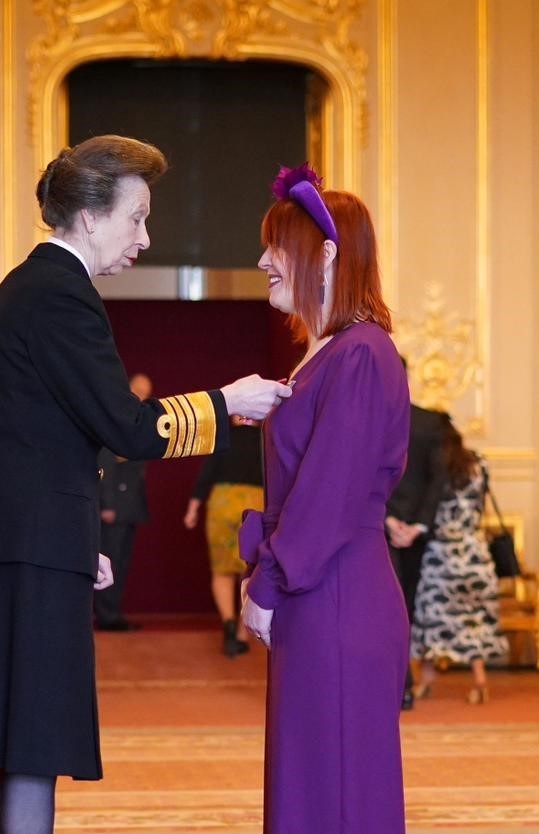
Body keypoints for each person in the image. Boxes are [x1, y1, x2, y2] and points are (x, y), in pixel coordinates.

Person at [0, 134, 290, 834]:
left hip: (23, 539)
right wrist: (228, 402)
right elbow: (126, 428)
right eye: (137, 218)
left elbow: (45, 438)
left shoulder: (35, 289)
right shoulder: (59, 297)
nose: (145, 238)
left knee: (25, 745)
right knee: (33, 742)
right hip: (25, 548)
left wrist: (72, 540)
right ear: (91, 217)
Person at [239, 163, 410, 834]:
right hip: (325, 590)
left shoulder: (361, 353)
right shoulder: (329, 355)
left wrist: (268, 582)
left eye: (275, 245)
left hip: (335, 593)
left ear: (328, 254)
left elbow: (330, 493)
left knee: (333, 787)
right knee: (313, 781)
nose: (261, 261)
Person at [410, 415, 508, 704]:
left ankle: (426, 679)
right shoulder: (480, 464)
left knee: (429, 617)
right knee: (474, 620)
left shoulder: (435, 469)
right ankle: (479, 682)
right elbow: (482, 508)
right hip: (473, 554)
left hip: (440, 555)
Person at [385, 397, 447, 709]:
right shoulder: (430, 421)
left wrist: (388, 519)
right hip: (415, 532)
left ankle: (398, 685)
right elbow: (438, 480)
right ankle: (403, 686)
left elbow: (360, 475)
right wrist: (419, 524)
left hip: (379, 529)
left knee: (388, 611)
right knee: (405, 607)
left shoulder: (367, 416)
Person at [184, 414, 263, 656]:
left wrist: (193, 509)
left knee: (221, 570)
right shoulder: (265, 439)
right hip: (254, 504)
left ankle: (228, 623)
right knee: (250, 571)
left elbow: (206, 474)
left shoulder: (222, 437)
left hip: (221, 502)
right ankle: (241, 633)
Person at [94, 372, 153, 632]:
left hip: (129, 507)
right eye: (139, 390)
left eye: (146, 393)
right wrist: (106, 503)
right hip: (114, 506)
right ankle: (106, 615)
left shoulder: (137, 419)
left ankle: (112, 612)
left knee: (121, 562)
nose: (142, 397)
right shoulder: (116, 416)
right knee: (110, 560)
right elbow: (105, 460)